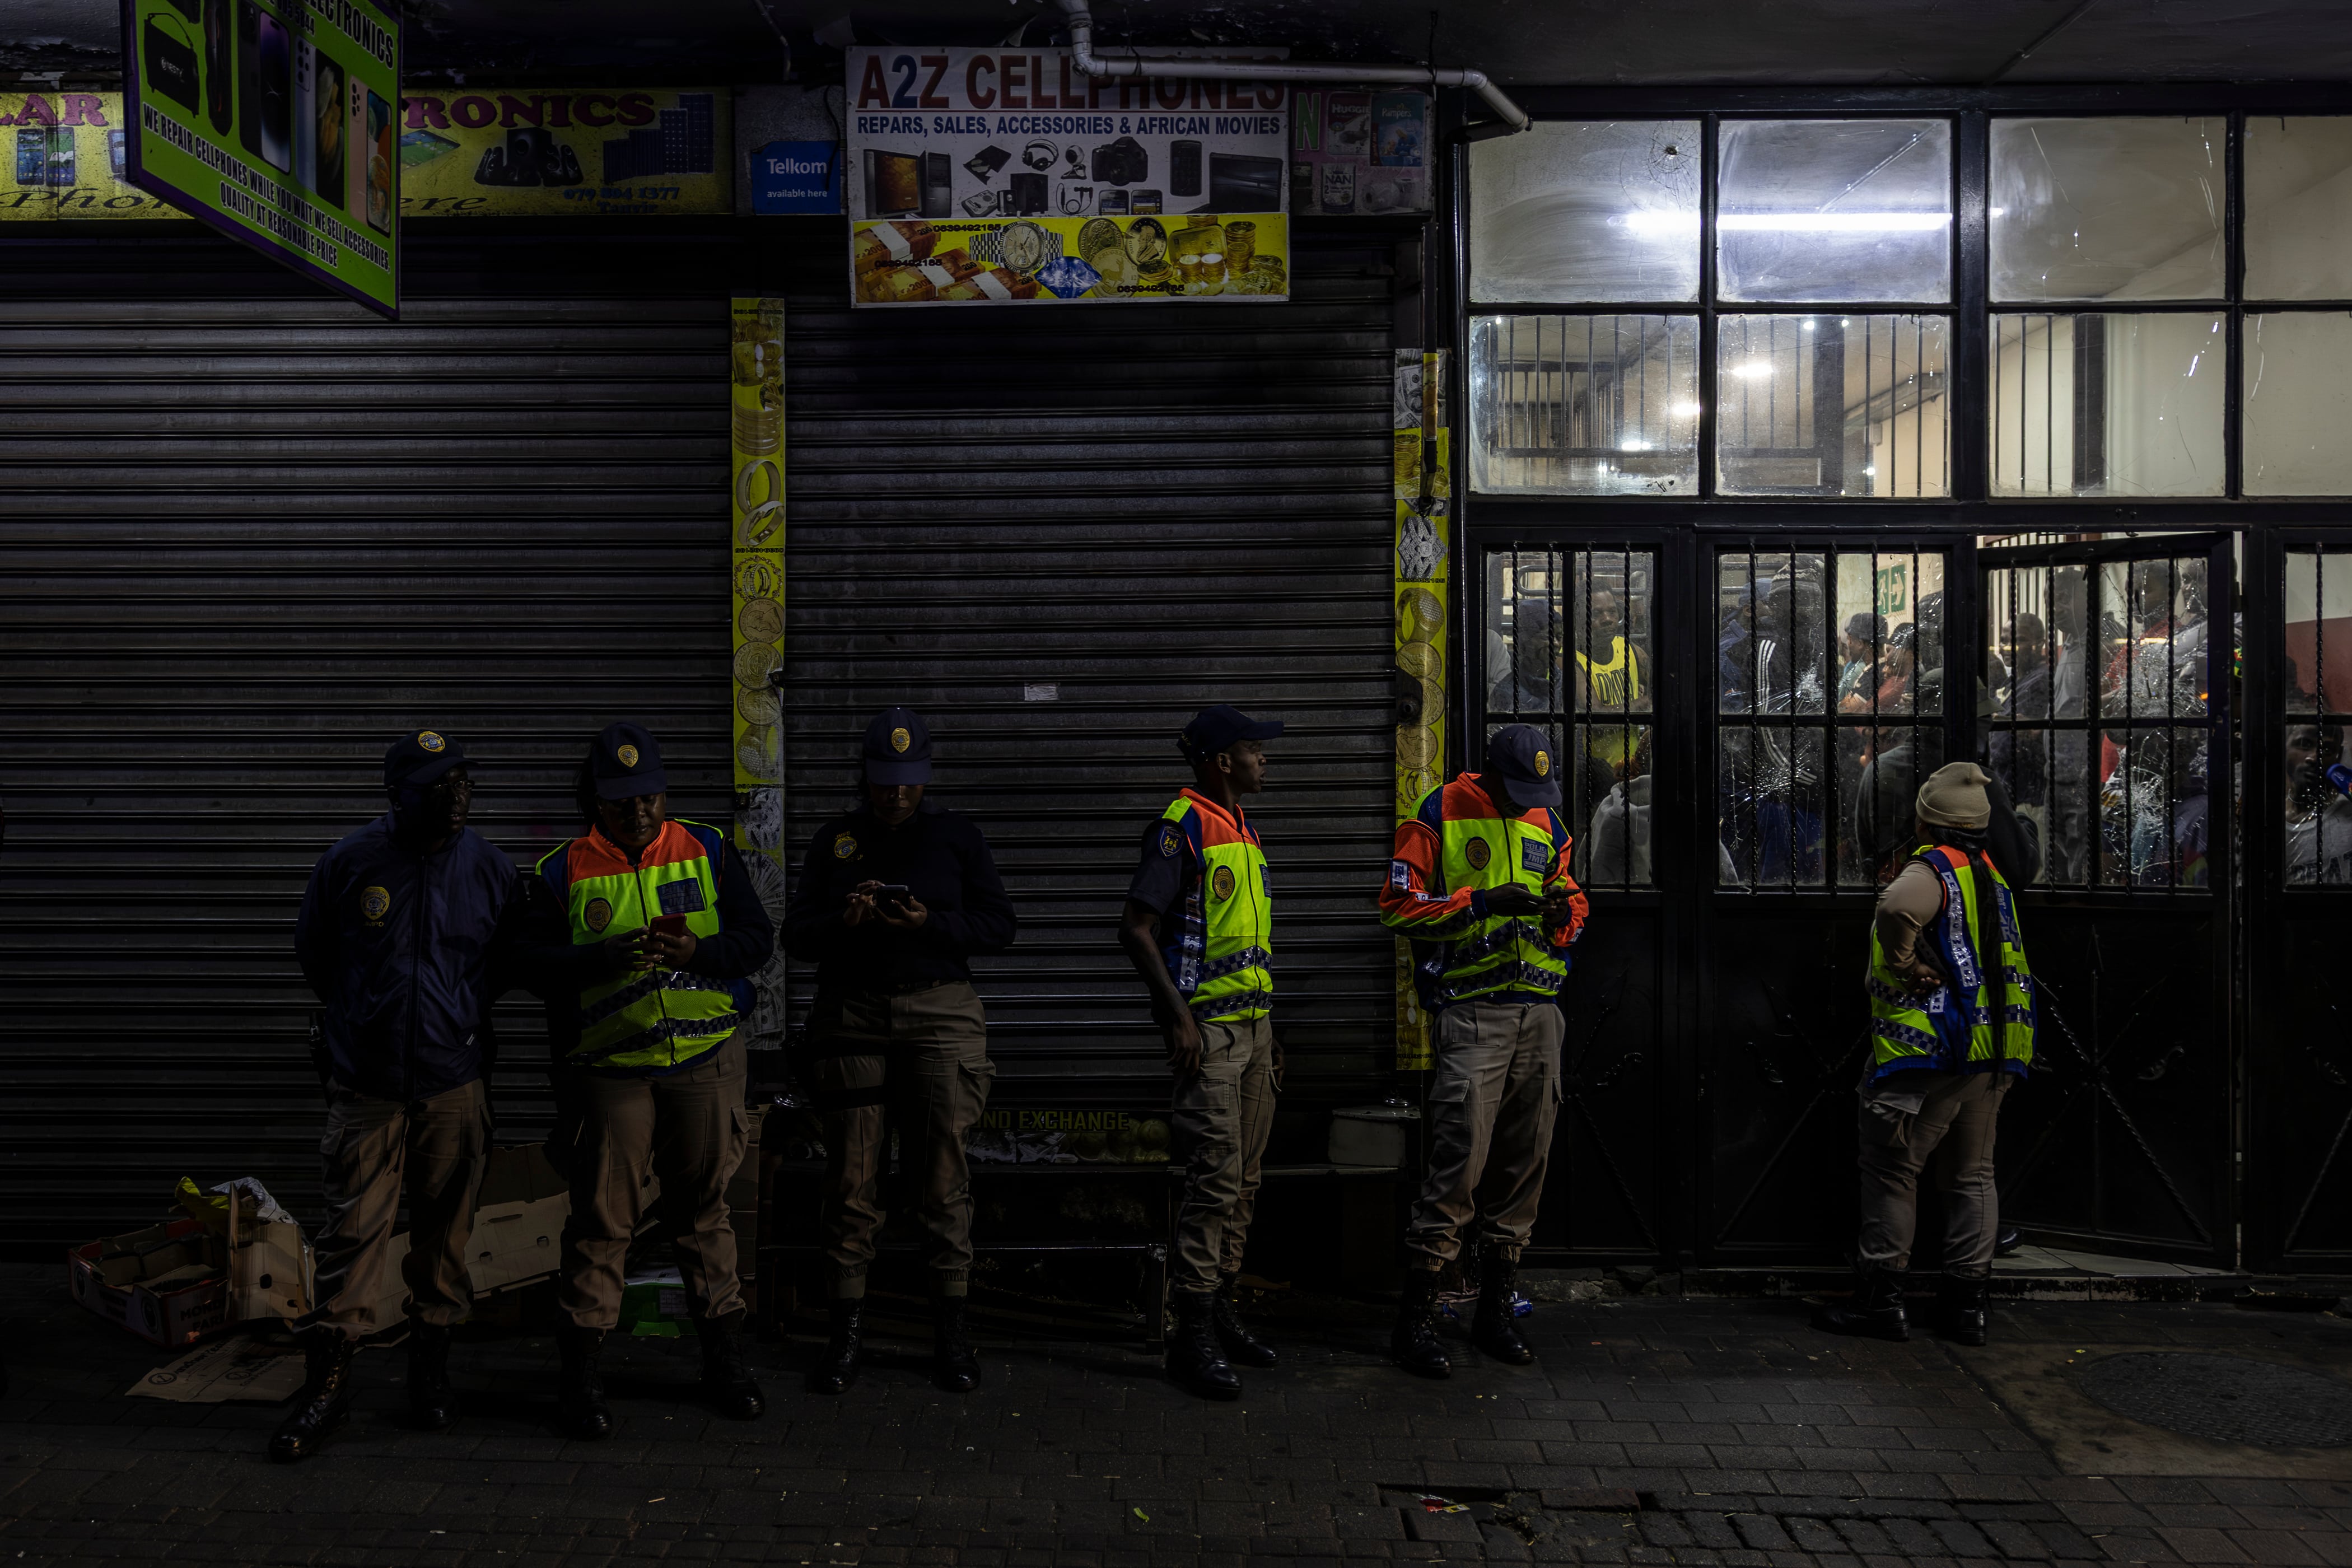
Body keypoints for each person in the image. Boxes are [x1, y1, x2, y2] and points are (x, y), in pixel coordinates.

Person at [528, 722, 774, 1439]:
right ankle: (580, 1381)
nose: (637, 811)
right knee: (603, 1221)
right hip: (612, 1074)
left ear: (664, 791)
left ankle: (724, 1364)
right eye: (619, 800)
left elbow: (757, 941)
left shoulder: (708, 847)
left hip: (705, 1063)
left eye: (648, 796)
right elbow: (526, 967)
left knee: (704, 1211)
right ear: (594, 801)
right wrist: (597, 960)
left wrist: (701, 950)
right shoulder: (558, 870)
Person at [278, 730, 516, 1462]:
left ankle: (430, 1377)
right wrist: (370, 1022)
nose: (456, 799)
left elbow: (504, 962)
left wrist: (454, 1026)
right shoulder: (351, 863)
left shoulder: (488, 867)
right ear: (397, 796)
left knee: (445, 1236)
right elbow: (317, 955)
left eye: (464, 784)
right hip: (369, 1089)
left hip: (453, 1085)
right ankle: (328, 1390)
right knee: (352, 1239)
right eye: (437, 788)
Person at [783, 708, 1016, 1396]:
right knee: (851, 1180)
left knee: (942, 1175)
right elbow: (796, 934)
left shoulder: (957, 838)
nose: (895, 796)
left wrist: (931, 923)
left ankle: (951, 1333)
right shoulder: (838, 840)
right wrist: (843, 921)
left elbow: (1001, 925)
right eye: (885, 783)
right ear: (867, 777)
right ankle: (846, 1333)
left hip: (940, 1010)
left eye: (907, 784)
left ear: (925, 779)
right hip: (852, 1012)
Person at [1377, 724, 1589, 1378]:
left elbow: (1575, 897)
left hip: (1541, 1014)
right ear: (1490, 774)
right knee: (1458, 1168)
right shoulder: (1437, 813)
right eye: (1518, 790)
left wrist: (1564, 913)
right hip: (1473, 1017)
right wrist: (1478, 904)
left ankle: (1494, 1311)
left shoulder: (1547, 822)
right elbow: (1395, 906)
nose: (1528, 801)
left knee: (1526, 1166)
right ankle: (1415, 1320)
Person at [1814, 762, 2034, 1348]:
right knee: (1973, 1175)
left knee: (1892, 1171)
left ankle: (1881, 1299)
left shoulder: (1933, 869)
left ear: (1927, 819)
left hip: (1930, 1055)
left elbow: (1893, 909)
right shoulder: (1992, 873)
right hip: (1994, 1050)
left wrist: (1909, 964)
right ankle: (1967, 1307)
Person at [1116, 705, 1285, 1401]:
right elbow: (1135, 928)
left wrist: (1272, 1032)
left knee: (1243, 1182)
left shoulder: (1241, 827)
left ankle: (1218, 1308)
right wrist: (1177, 1017)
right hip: (1210, 1038)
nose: (1263, 759)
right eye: (1254, 749)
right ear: (1222, 761)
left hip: (1255, 1033)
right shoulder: (1180, 829)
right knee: (1213, 1182)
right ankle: (1190, 1334)